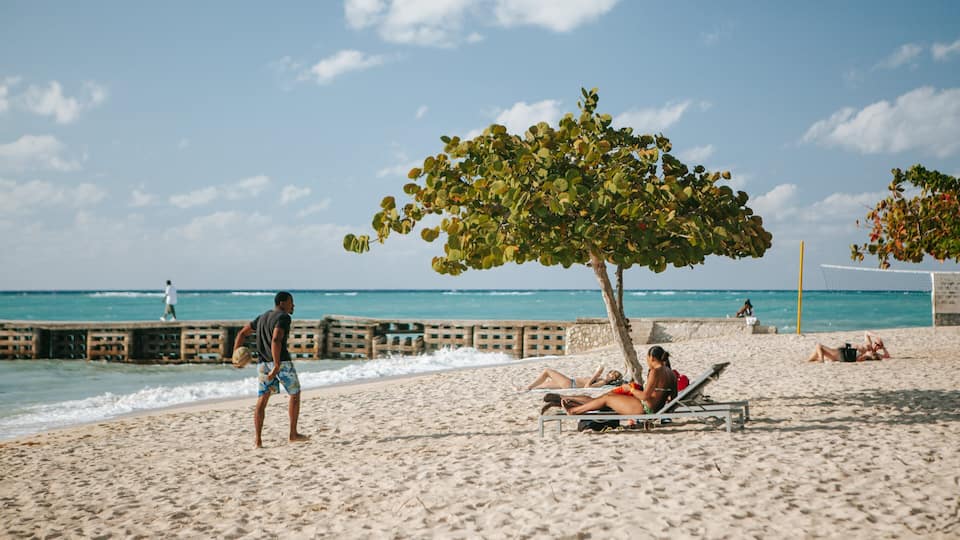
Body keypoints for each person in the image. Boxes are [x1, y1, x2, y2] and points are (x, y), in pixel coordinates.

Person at [233, 291, 309, 448]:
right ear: (282, 303)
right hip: (281, 363)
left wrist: (235, 356)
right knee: (295, 394)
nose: (293, 305)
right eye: (291, 302)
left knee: (263, 399)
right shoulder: (284, 317)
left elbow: (242, 333)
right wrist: (276, 364)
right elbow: (276, 339)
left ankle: (258, 440)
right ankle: (293, 434)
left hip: (262, 364)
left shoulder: (262, 317)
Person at [562, 346, 677, 417]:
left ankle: (575, 411)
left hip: (645, 409)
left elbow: (645, 396)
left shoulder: (655, 372)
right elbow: (674, 397)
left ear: (651, 358)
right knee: (610, 395)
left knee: (607, 398)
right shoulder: (671, 373)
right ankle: (580, 406)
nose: (647, 361)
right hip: (655, 408)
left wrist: (630, 389)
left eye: (647, 359)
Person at [805, 331, 891, 362]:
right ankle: (815, 360)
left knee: (819, 347)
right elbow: (866, 332)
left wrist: (883, 348)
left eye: (878, 345)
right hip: (845, 351)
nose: (876, 346)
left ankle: (821, 360)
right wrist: (876, 335)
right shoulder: (869, 345)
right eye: (876, 343)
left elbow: (887, 356)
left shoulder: (872, 353)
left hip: (845, 354)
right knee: (816, 355)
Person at [524, 364, 623, 391]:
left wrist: (596, 374)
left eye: (614, 375)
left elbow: (587, 387)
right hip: (570, 383)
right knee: (543, 385)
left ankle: (529, 387)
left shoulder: (603, 382)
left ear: (613, 379)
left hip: (571, 384)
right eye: (611, 372)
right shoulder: (602, 379)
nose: (611, 374)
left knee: (547, 371)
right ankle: (526, 388)